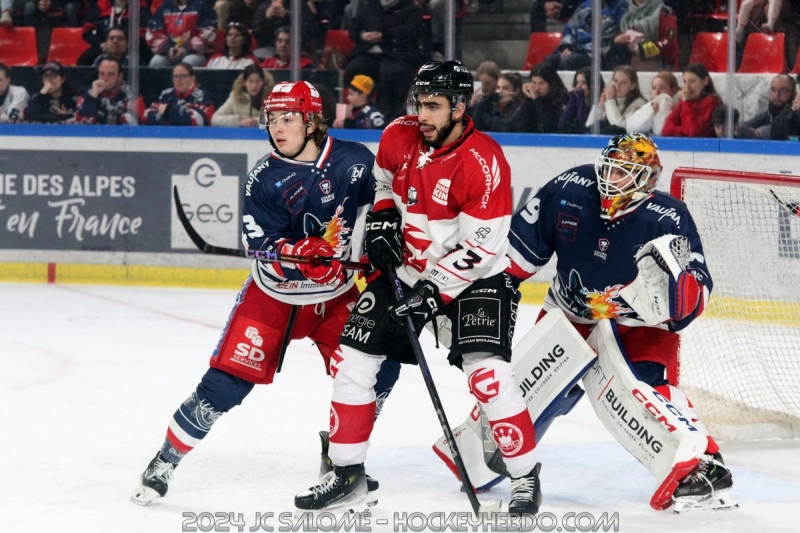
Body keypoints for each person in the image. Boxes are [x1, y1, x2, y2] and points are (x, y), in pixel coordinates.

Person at [131, 80, 402, 506]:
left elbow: (385, 204)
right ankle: (165, 460)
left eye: (288, 117)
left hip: (335, 293)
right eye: (272, 118)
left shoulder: (354, 159)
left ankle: (340, 455)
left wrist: (377, 245)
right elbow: (264, 243)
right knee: (224, 385)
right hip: (274, 295)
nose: (278, 126)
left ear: (313, 122)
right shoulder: (265, 178)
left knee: (379, 368)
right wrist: (294, 251)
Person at [293, 60, 541, 516]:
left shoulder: (484, 163)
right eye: (418, 103)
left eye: (433, 106)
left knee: (487, 376)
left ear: (460, 107)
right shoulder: (398, 134)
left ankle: (525, 476)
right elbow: (384, 180)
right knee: (353, 362)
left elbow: (482, 246)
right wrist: (385, 216)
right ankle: (348, 474)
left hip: (476, 281)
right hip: (407, 272)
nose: (421, 114)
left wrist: (433, 292)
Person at [504, 132, 734, 512]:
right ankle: (504, 445)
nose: (610, 178)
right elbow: (518, 249)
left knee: (649, 389)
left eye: (623, 172)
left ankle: (706, 463)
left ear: (646, 179)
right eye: (608, 168)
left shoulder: (668, 216)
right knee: (524, 389)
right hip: (568, 311)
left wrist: (681, 297)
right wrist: (495, 288)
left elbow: (696, 284)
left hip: (637, 325)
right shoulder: (570, 188)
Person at [344, 0, 426, 121]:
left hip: (398, 54)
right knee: (355, 66)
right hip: (369, 53)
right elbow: (354, 30)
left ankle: (393, 113)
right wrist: (362, 35)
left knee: (392, 71)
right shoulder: (369, 6)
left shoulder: (409, 8)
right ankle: (358, 112)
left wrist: (385, 36)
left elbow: (410, 31)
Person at [544, 0, 627, 70]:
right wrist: (568, 47)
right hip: (575, 49)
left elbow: (606, 37)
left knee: (568, 62)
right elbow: (570, 27)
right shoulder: (586, 4)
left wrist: (576, 50)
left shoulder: (619, 6)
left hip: (596, 53)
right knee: (549, 61)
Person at [605, 0, 679, 71]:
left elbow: (669, 44)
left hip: (660, 71)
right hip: (629, 71)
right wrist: (616, 41)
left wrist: (641, 49)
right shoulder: (627, 15)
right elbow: (620, 37)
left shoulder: (664, 12)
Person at [78, 0, 151, 66]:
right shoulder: (101, 4)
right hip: (104, 46)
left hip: (132, 47)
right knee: (84, 61)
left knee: (147, 59)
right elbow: (86, 31)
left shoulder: (141, 6)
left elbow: (145, 33)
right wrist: (100, 44)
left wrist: (127, 44)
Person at [146, 0, 218, 68]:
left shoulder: (202, 5)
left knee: (187, 63)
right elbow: (154, 32)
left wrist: (186, 48)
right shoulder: (165, 6)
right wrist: (167, 49)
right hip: (169, 52)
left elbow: (209, 34)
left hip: (196, 53)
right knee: (156, 62)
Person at [75, 58, 145, 125]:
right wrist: (93, 96)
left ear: (120, 76)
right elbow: (81, 121)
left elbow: (137, 123)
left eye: (110, 74)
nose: (105, 79)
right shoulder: (90, 93)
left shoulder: (132, 95)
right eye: (102, 74)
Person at [143, 63, 215, 126]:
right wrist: (180, 112)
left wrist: (168, 110)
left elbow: (199, 120)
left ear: (193, 78)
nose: (178, 80)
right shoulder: (166, 94)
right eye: (175, 77)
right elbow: (146, 115)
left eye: (182, 76)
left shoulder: (201, 96)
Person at [662, 63, 722, 138]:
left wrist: (687, 103)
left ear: (705, 81)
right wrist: (685, 131)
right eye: (685, 82)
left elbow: (694, 131)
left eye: (692, 81)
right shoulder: (683, 101)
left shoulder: (712, 101)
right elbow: (666, 129)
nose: (687, 87)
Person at [586, 65, 647, 135]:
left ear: (633, 86)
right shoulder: (609, 101)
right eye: (615, 81)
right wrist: (601, 105)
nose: (617, 86)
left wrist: (610, 100)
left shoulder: (640, 103)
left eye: (623, 82)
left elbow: (619, 128)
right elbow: (590, 127)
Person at [470, 71, 536, 133]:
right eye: (498, 88)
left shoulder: (522, 107)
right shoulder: (492, 106)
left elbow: (508, 126)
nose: (500, 92)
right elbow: (477, 123)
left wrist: (485, 117)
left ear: (516, 91)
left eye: (505, 88)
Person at [737, 74, 796, 139]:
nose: (777, 95)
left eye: (783, 91)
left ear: (794, 94)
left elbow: (780, 131)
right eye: (773, 90)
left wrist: (764, 131)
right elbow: (742, 128)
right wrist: (758, 135)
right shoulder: (769, 113)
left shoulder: (796, 116)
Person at [626, 70, 680, 136]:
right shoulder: (646, 107)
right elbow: (630, 128)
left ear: (673, 91)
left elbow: (660, 130)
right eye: (654, 88)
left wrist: (664, 99)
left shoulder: (678, 109)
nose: (657, 92)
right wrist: (650, 111)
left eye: (661, 88)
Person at [521, 61, 569, 133]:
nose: (536, 88)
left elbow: (551, 127)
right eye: (534, 83)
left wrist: (537, 100)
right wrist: (528, 99)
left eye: (541, 83)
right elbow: (520, 126)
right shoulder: (532, 98)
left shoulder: (561, 99)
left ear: (551, 83)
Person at [558, 66, 603, 134]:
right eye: (577, 82)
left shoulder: (600, 104)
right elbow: (562, 126)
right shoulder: (574, 102)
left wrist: (580, 98)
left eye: (583, 83)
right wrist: (572, 101)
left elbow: (584, 127)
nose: (579, 86)